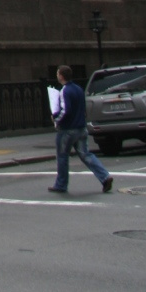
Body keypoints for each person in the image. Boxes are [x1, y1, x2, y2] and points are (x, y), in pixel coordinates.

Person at [49, 64, 113, 195]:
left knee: (62, 156)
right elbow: (82, 109)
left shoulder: (65, 91)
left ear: (61, 76)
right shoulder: (78, 89)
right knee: (86, 155)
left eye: (57, 74)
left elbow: (65, 110)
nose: (57, 76)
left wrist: (55, 119)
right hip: (81, 128)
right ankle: (105, 177)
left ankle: (61, 184)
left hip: (67, 129)